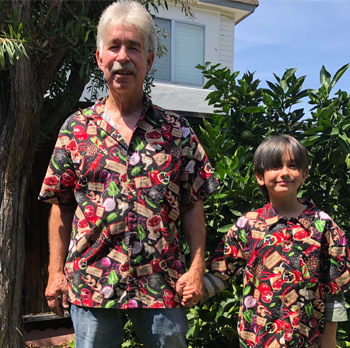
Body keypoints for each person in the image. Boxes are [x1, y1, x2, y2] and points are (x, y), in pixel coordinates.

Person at [38, 1, 218, 347]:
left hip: (162, 285)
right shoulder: (75, 129)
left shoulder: (176, 130)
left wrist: (196, 269)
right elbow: (60, 204)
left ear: (149, 60)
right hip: (91, 282)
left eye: (134, 48)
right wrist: (54, 272)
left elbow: (193, 203)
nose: (123, 57)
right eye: (114, 46)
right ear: (100, 57)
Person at [179, 135, 350, 348]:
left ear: (304, 174)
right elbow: (222, 272)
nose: (285, 172)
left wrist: (329, 338)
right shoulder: (247, 226)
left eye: (293, 166)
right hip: (257, 339)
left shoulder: (323, 226)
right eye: (276, 166)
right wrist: (194, 292)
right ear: (260, 176)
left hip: (307, 340)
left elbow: (335, 287)